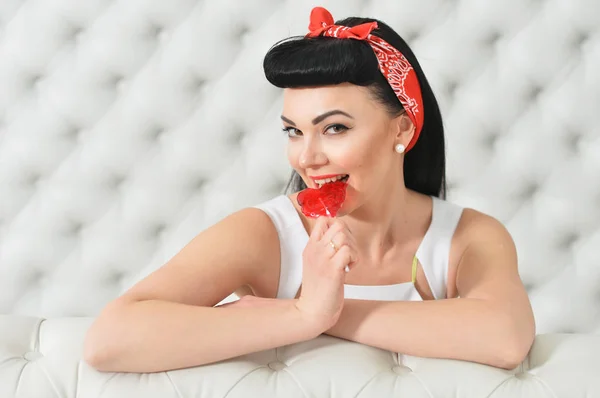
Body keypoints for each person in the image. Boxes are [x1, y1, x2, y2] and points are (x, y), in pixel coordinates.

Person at [83, 6, 535, 373]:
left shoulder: (467, 237)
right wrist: (301, 315)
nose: (307, 157)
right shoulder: (265, 235)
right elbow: (110, 340)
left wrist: (324, 313)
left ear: (402, 129)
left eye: (335, 128)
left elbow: (506, 336)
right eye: (293, 132)